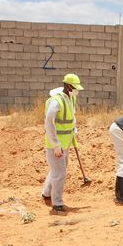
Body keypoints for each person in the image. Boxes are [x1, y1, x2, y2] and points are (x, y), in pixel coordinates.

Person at [42, 73, 83, 212]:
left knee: (58, 168)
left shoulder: (70, 98)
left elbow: (71, 116)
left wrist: (74, 128)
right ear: (67, 86)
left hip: (65, 142)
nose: (77, 90)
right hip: (56, 145)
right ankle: (57, 203)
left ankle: (47, 193)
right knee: (60, 173)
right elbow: (49, 122)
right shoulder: (56, 101)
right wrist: (55, 144)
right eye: (75, 88)